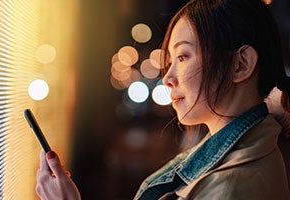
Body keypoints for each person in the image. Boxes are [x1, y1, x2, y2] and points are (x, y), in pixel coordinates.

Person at [36, 0, 290, 199]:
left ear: (240, 64)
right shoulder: (243, 157)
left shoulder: (229, 186)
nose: (167, 78)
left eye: (182, 57)